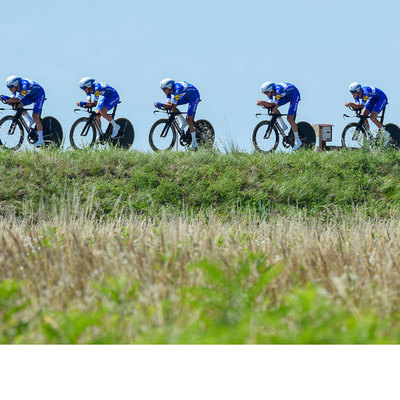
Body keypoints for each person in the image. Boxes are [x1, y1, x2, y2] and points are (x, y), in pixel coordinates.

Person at [0, 75, 46, 146]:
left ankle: (41, 140)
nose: (9, 89)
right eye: (8, 87)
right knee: (18, 105)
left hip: (38, 95)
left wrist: (5, 98)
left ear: (15, 84)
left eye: (10, 87)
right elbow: (13, 98)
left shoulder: (25, 86)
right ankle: (30, 120)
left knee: (36, 116)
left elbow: (17, 99)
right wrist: (5, 99)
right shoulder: (15, 86)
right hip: (29, 95)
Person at [155, 78, 200, 149]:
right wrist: (163, 106)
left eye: (164, 89)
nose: (163, 91)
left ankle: (194, 142)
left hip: (194, 97)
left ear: (169, 87)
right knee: (172, 108)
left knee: (189, 119)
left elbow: (172, 105)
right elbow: (169, 104)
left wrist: (161, 104)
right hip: (185, 96)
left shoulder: (177, 89)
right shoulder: (168, 92)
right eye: (162, 89)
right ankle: (183, 122)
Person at [257, 82, 302, 150]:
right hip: (286, 95)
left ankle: (298, 141)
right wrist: (264, 103)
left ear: (270, 90)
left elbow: (273, 104)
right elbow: (270, 103)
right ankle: (283, 125)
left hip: (294, 95)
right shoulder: (271, 92)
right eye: (264, 93)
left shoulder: (278, 90)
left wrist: (263, 102)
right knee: (273, 109)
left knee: (290, 118)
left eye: (266, 93)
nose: (266, 95)